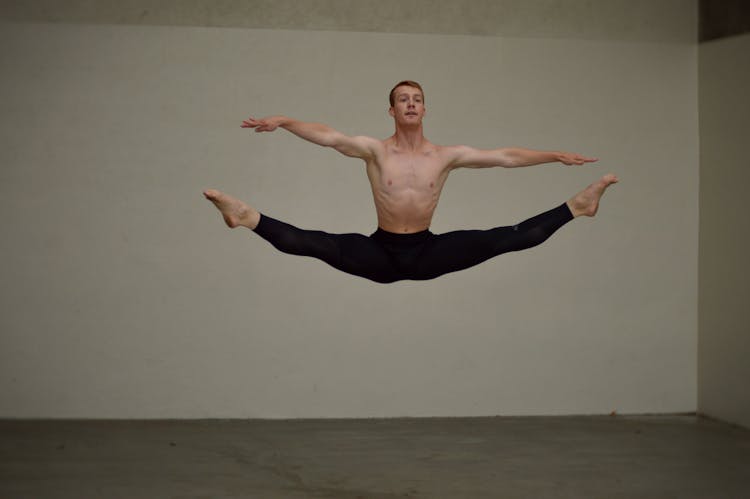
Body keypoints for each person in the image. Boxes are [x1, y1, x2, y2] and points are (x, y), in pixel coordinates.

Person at [205, 80, 618, 283]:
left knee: (505, 238)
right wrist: (285, 121)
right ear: (391, 110)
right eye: (403, 99)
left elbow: (506, 157)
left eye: (417, 99)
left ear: (425, 109)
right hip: (380, 253)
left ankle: (577, 207)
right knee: (313, 243)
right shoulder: (374, 150)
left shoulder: (445, 156)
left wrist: (553, 156)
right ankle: (245, 216)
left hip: (426, 252)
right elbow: (329, 137)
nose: (410, 104)